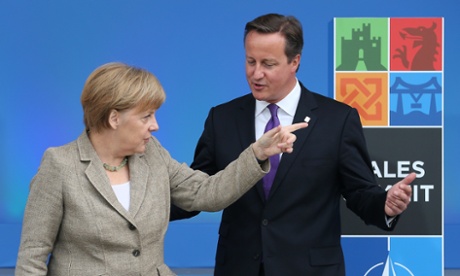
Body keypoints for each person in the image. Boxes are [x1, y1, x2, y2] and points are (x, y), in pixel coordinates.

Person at [170, 13, 414, 275]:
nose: (256, 73)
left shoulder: (337, 119)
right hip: (239, 267)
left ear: (294, 62)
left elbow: (359, 191)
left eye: (268, 64)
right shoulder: (222, 118)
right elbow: (197, 189)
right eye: (250, 61)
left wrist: (384, 205)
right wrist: (141, 206)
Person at [15, 62, 307, 276]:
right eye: (146, 116)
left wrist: (257, 153)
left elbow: (206, 193)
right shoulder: (59, 165)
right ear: (114, 118)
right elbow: (31, 259)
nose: (155, 126)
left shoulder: (152, 154)